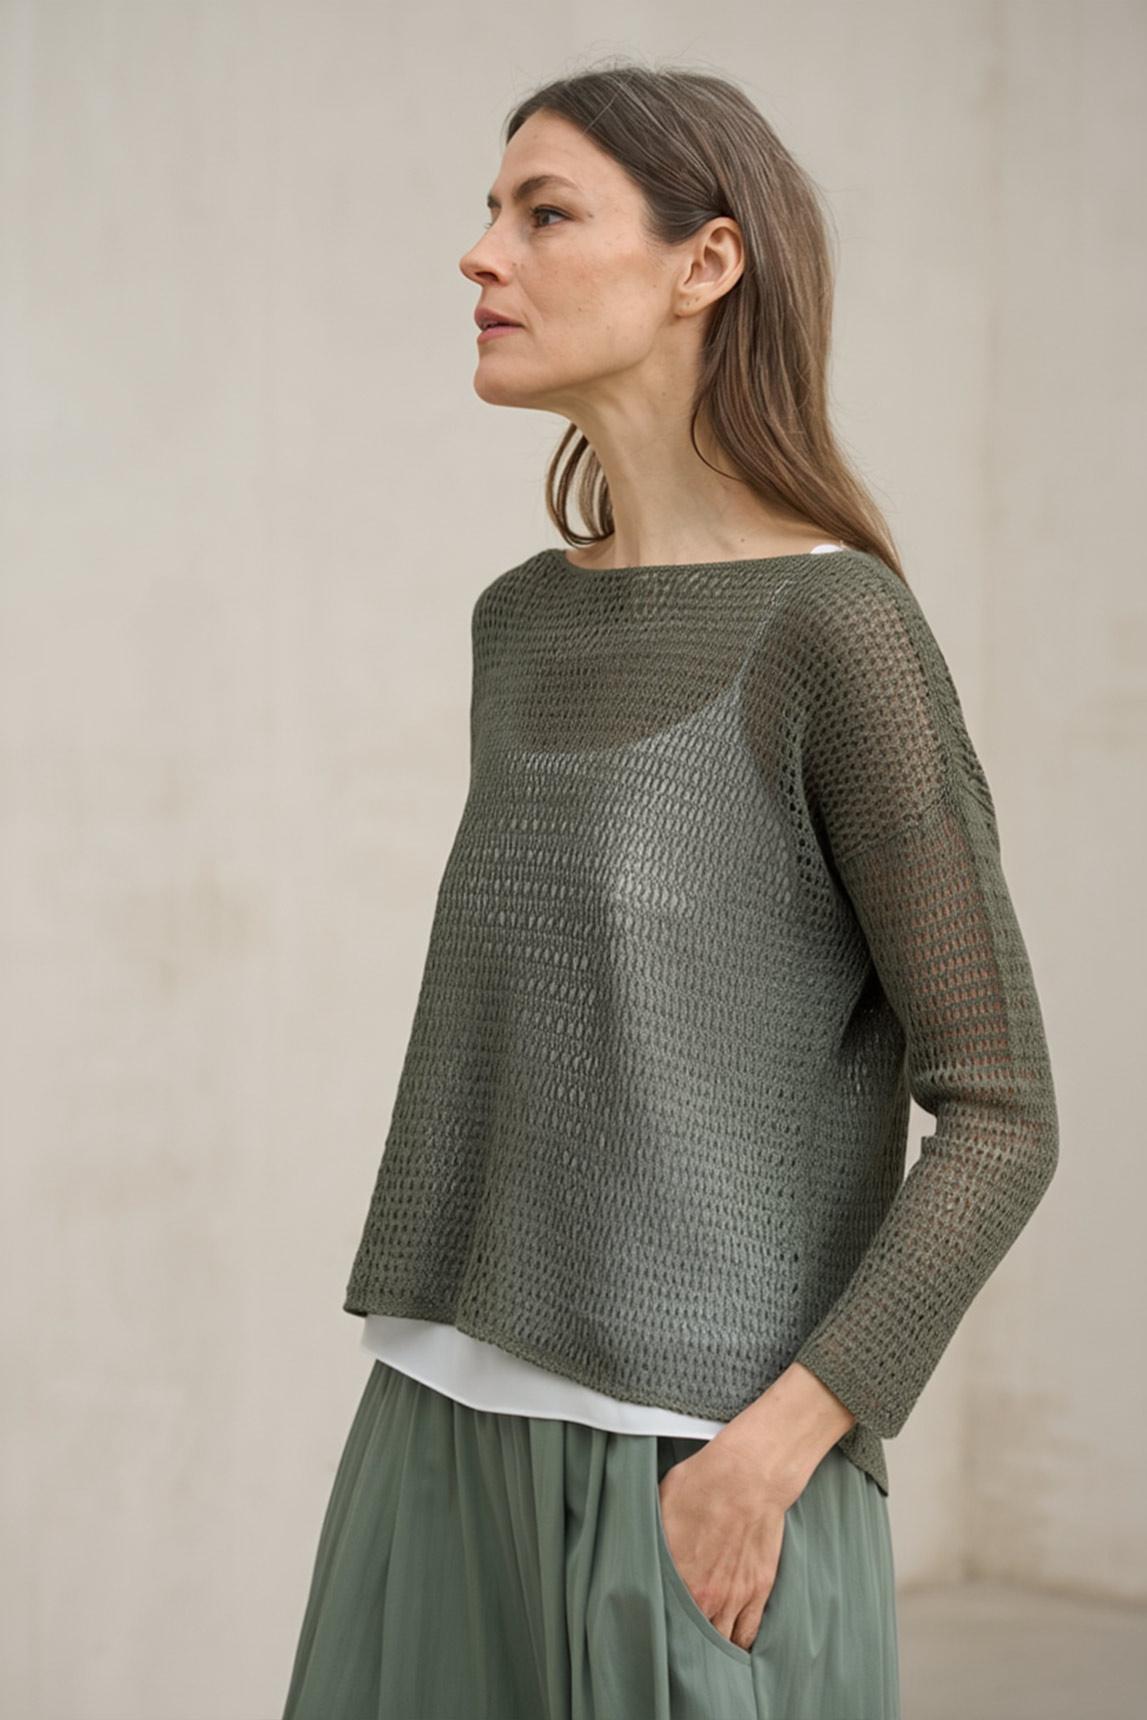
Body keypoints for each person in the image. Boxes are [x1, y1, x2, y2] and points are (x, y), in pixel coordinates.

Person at [280, 60, 1059, 1720]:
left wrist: (777, 1447)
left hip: (699, 1473)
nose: (482, 254)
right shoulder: (522, 623)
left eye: (544, 213)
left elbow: (1003, 1111)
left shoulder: (842, 633)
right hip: (436, 1422)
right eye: (491, 211)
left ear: (707, 262)